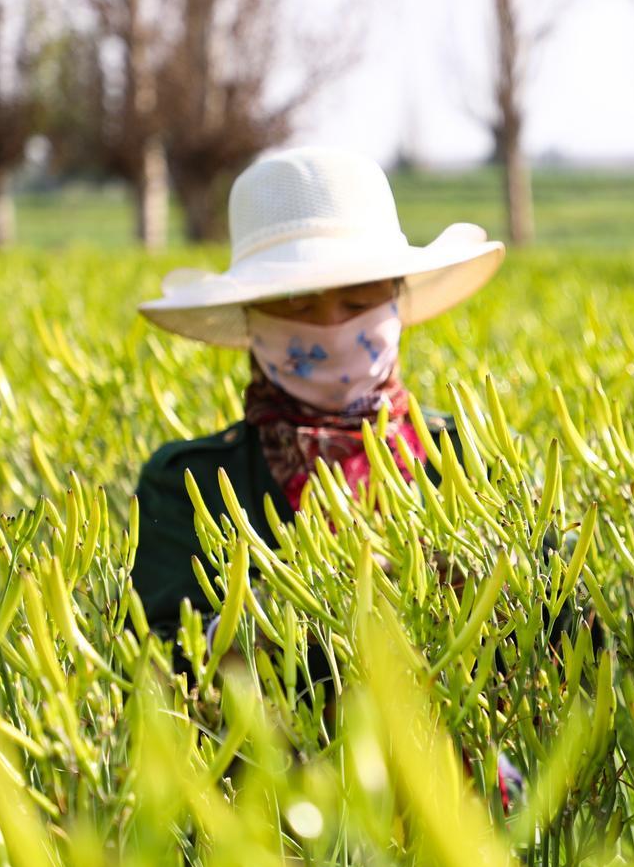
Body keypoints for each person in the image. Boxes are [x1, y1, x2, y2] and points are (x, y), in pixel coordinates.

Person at [131, 147, 504, 640]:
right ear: (251, 317)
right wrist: (271, 623)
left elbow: (561, 621)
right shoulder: (190, 483)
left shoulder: (470, 457)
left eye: (357, 299)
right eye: (297, 304)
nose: (331, 327)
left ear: (397, 301)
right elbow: (157, 652)